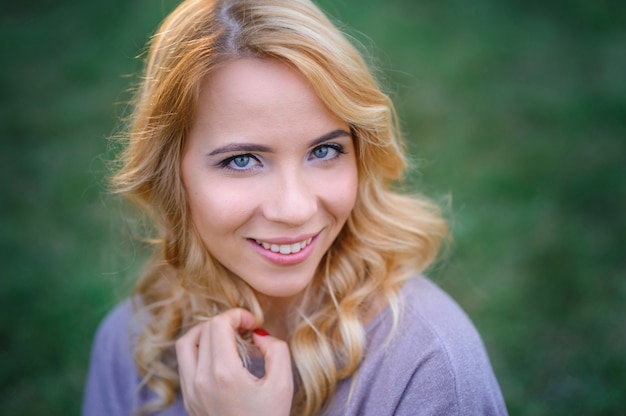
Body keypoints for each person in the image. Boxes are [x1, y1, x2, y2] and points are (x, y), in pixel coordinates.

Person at [82, 0, 508, 415]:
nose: (295, 208)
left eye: (324, 150)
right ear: (170, 173)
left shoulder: (428, 364)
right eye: (242, 160)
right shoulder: (130, 341)